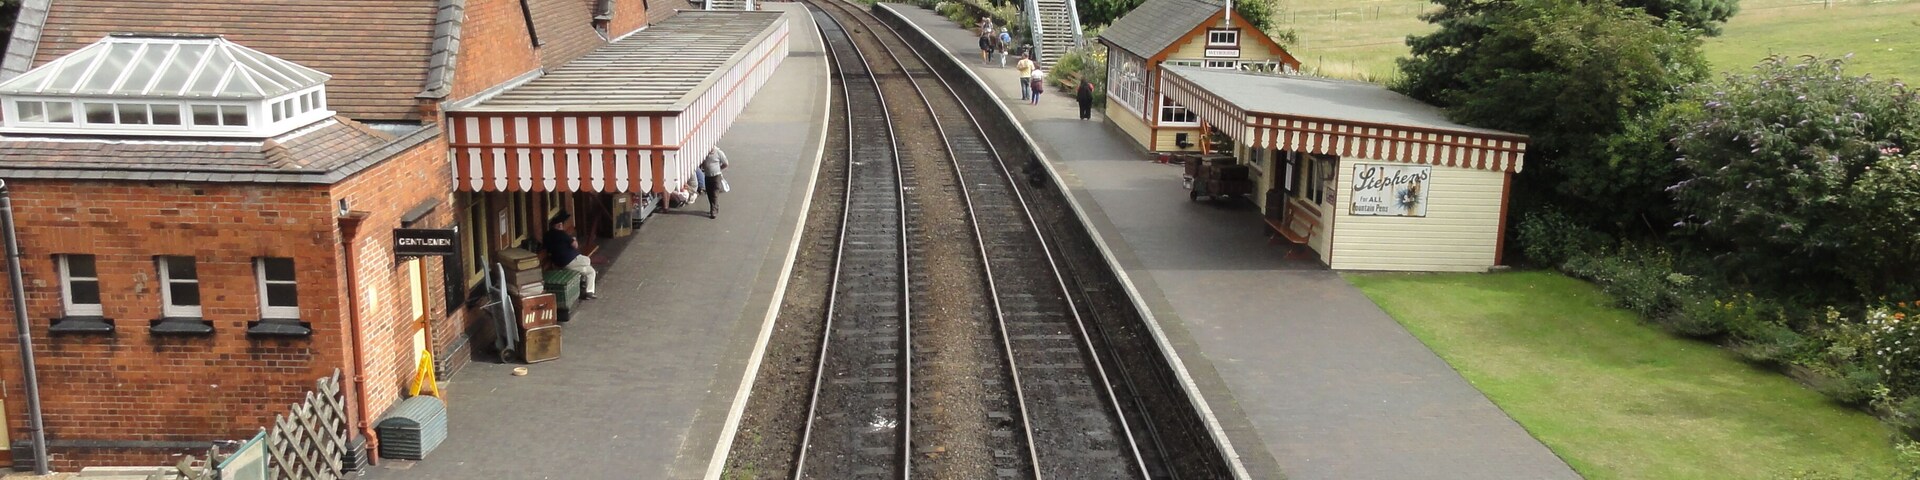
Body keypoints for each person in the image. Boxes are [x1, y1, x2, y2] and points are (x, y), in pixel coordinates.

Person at [544, 212, 597, 300]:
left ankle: (585, 285)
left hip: (558, 263)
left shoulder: (547, 235)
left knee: (588, 268)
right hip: (571, 261)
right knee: (588, 264)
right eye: (561, 224)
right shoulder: (562, 234)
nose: (562, 226)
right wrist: (574, 239)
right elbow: (575, 245)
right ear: (559, 225)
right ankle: (589, 291)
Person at [701, 147, 730, 219]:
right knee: (709, 193)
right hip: (707, 176)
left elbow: (726, 163)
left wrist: (719, 169)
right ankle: (713, 207)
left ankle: (714, 211)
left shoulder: (718, 152)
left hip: (716, 176)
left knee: (714, 193)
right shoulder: (704, 153)